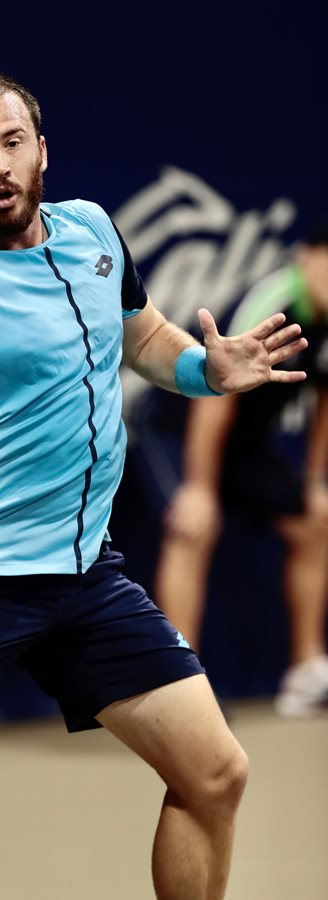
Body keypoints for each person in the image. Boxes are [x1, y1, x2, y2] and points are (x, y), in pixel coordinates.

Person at [0, 72, 307, 900]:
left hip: (84, 578)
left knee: (217, 774)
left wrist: (207, 370)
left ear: (41, 150)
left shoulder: (92, 231)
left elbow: (144, 340)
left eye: (12, 142)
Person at [146, 220, 328, 718]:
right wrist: (200, 489)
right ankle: (181, 686)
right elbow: (217, 396)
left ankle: (305, 672)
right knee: (193, 529)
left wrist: (315, 481)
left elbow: (325, 400)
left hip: (245, 445)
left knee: (315, 522)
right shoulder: (274, 301)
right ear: (306, 256)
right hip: (179, 425)